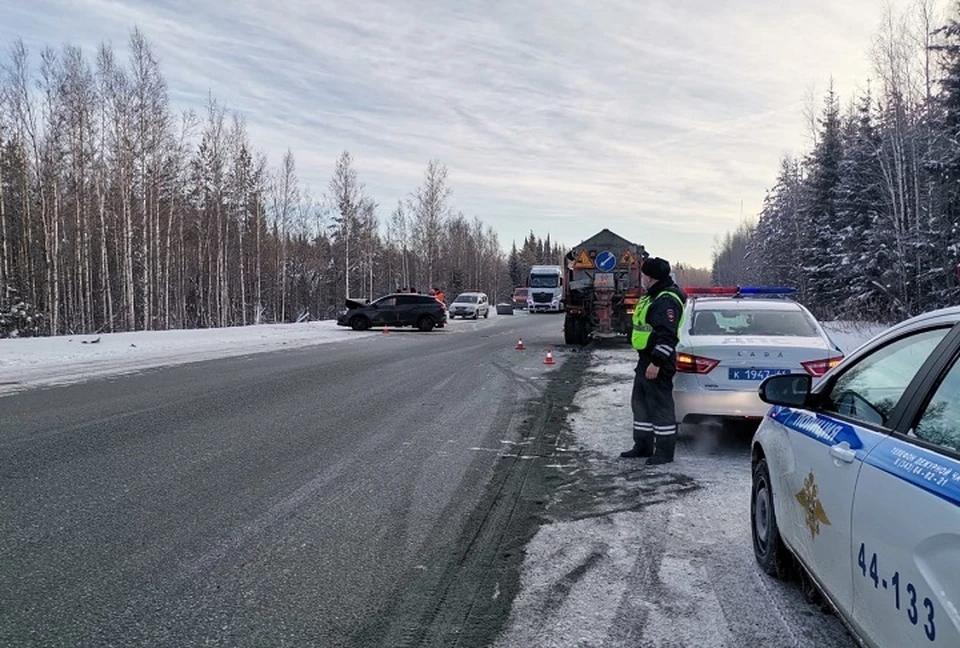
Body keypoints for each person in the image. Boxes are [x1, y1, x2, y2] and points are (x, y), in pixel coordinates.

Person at [621, 256, 687, 465]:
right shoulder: (653, 296)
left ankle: (664, 452)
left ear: (651, 277)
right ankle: (643, 445)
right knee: (640, 403)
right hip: (646, 359)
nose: (641, 278)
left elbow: (668, 335)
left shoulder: (666, 300)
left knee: (660, 406)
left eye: (644, 274)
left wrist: (656, 363)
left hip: (658, 361)